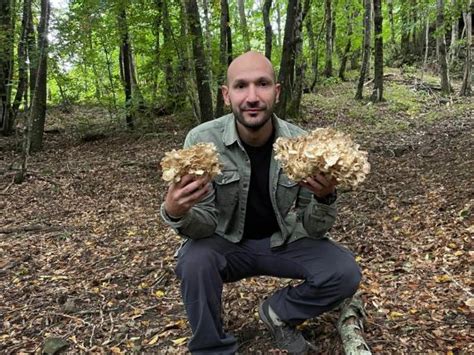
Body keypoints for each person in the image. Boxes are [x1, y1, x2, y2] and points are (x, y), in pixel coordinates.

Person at [161, 51, 361, 355]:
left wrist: (324, 197)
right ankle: (211, 348)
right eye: (241, 86)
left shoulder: (301, 143)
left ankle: (279, 311)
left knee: (344, 271)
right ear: (227, 95)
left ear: (276, 92)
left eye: (263, 84)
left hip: (281, 243)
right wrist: (175, 213)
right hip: (227, 245)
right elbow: (203, 226)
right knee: (193, 260)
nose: (252, 96)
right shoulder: (202, 140)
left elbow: (313, 228)